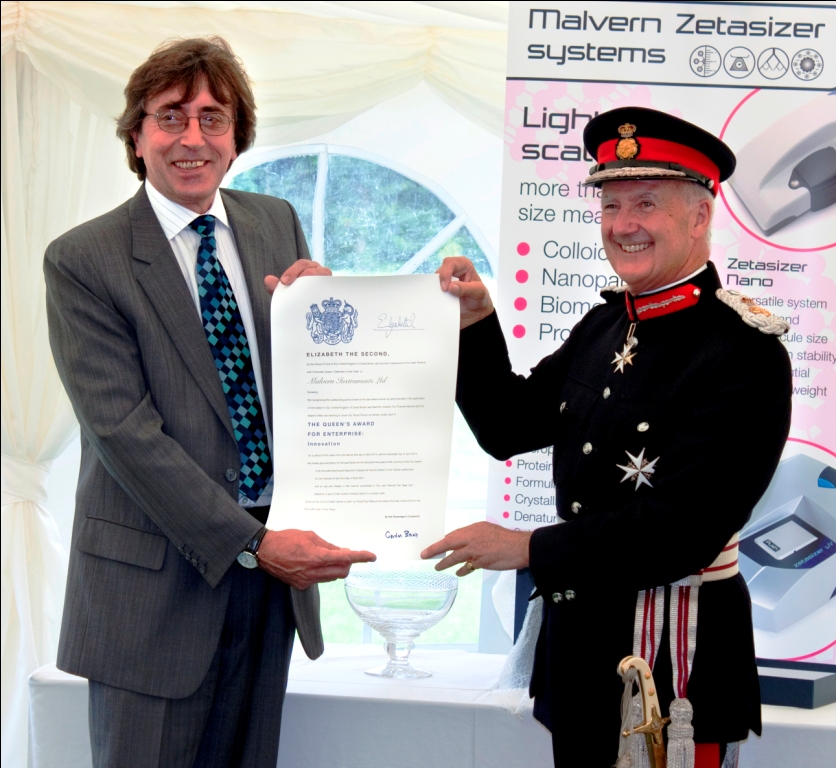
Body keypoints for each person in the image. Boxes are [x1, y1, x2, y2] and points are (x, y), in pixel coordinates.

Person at [422, 107, 792, 768]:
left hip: (673, 668)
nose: (624, 225)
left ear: (699, 217)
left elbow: (684, 528)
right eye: (612, 205)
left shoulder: (742, 351)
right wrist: (477, 322)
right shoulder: (603, 326)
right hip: (584, 654)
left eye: (647, 204)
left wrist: (529, 547)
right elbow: (506, 426)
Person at [44, 37, 375, 768]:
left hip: (270, 588)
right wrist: (252, 542)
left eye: (212, 117)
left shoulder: (273, 222)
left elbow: (301, 388)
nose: (192, 138)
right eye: (170, 117)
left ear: (237, 137)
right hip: (153, 590)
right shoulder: (84, 259)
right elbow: (124, 433)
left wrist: (326, 320)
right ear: (136, 136)